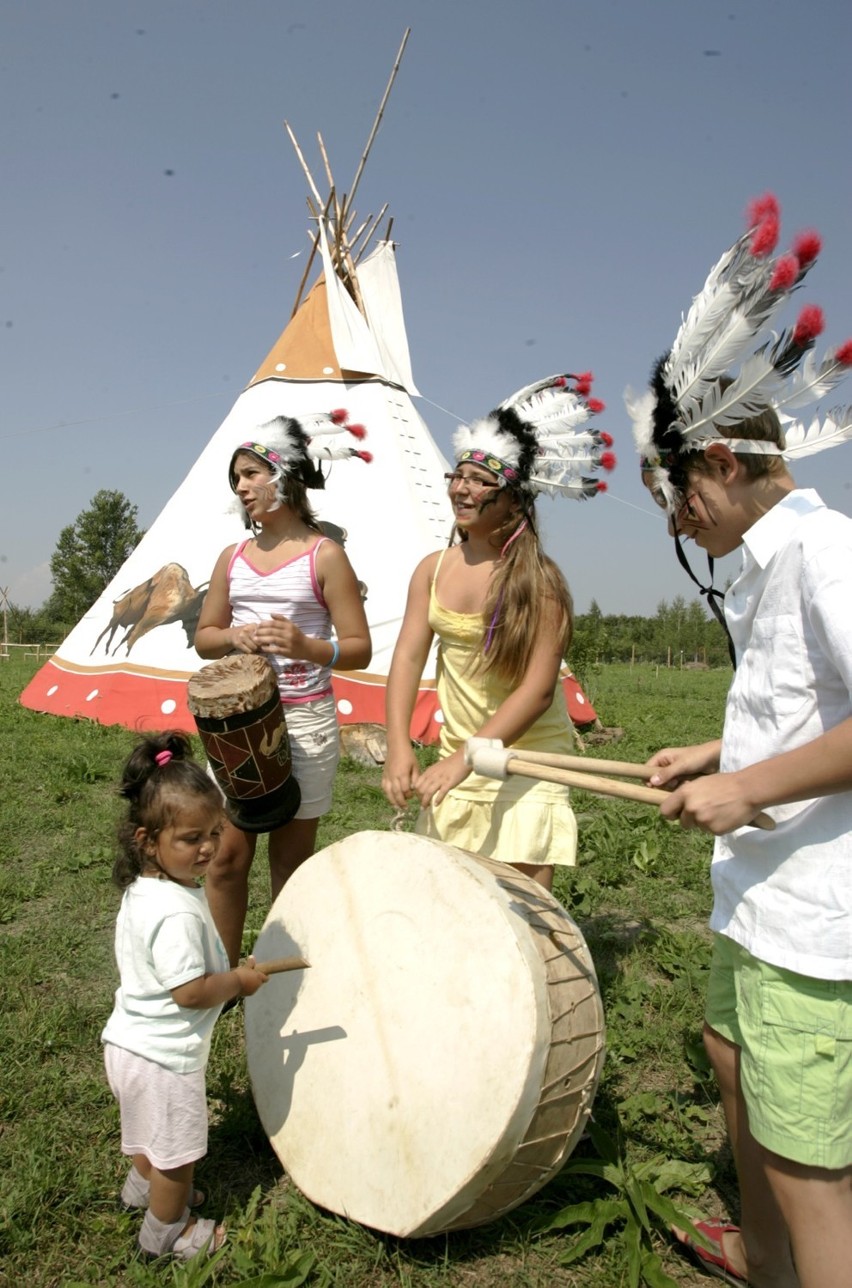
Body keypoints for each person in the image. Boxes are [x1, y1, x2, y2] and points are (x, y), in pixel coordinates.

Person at [626, 193, 852, 1288]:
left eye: (675, 497)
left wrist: (752, 781)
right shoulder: (770, 570)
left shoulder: (825, 554)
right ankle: (762, 1261)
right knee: (727, 1058)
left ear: (718, 460)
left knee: (817, 1169)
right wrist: (712, 760)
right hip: (759, 898)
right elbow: (805, 710)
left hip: (817, 921)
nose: (678, 524)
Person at [382, 372, 615, 891]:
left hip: (525, 761)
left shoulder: (539, 582)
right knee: (455, 902)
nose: (461, 488)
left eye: (480, 481)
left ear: (514, 500)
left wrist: (472, 756)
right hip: (457, 757)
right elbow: (405, 661)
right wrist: (400, 744)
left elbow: (535, 693)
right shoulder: (433, 569)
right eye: (457, 476)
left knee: (522, 907)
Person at [195, 412, 372, 963]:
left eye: (250, 474)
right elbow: (204, 639)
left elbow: (359, 648)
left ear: (285, 475)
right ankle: (224, 975)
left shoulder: (326, 556)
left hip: (305, 724)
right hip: (237, 724)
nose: (241, 487)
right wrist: (235, 635)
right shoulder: (233, 558)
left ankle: (275, 976)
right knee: (225, 857)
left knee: (290, 865)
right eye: (236, 479)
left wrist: (306, 646)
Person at [101, 731, 269, 1261]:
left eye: (215, 833)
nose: (209, 848)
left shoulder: (146, 891)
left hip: (128, 1046)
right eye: (191, 838)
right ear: (148, 840)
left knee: (150, 1136)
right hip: (164, 1060)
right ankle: (166, 1233)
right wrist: (239, 982)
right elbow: (190, 992)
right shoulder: (174, 912)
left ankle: (140, 1190)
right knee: (177, 1159)